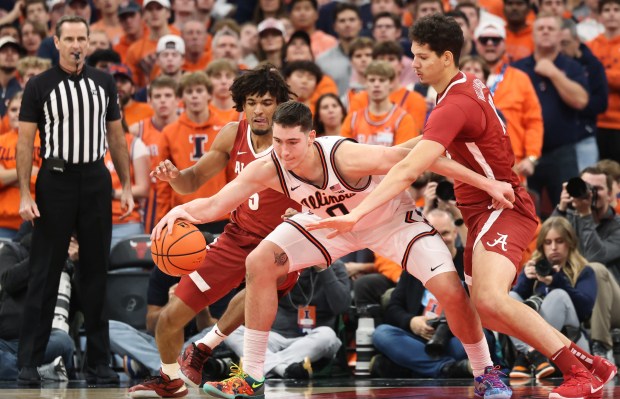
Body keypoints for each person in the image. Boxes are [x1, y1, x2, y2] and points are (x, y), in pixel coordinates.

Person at [309, 14, 617, 399]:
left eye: (422, 56)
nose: (414, 63)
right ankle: (587, 366)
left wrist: (357, 212)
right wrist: (374, 155)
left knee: (489, 300)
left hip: (501, 207)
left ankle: (579, 369)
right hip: (481, 210)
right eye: (414, 55)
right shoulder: (462, 85)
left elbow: (411, 168)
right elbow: (425, 148)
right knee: (484, 310)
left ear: (447, 57)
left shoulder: (453, 103)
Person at [152, 100, 517, 399]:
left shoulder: (344, 156)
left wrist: (487, 183)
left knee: (452, 292)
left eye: (292, 142)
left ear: (311, 137)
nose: (283, 150)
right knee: (260, 260)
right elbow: (216, 204)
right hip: (331, 226)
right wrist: (179, 211)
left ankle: (486, 372)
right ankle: (252, 376)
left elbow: (424, 160)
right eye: (277, 142)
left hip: (388, 221)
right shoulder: (271, 166)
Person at [127, 65, 300, 398]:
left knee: (260, 280)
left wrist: (303, 212)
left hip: (281, 242)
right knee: (170, 316)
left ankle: (206, 348)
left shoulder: (295, 141)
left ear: (280, 104)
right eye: (252, 102)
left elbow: (322, 190)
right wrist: (173, 176)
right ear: (242, 104)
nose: (259, 110)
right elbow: (191, 180)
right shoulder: (232, 134)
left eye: (267, 102)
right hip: (237, 235)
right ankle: (170, 379)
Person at [16, 15, 134, 384]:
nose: (76, 44)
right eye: (69, 38)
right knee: (44, 273)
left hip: (96, 179)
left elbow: (116, 137)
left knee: (96, 272)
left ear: (88, 41)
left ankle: (98, 363)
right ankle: (29, 363)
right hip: (55, 180)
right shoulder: (39, 85)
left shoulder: (103, 82)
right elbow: (24, 143)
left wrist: (126, 185)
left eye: (82, 37)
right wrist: (23, 193)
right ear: (56, 42)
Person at [225, 261, 351, 379]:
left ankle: (266, 367)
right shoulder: (279, 264)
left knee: (327, 335)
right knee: (232, 331)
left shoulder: (335, 266)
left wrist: (324, 270)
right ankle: (284, 370)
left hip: (313, 340)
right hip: (274, 338)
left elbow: (341, 307)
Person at [508, 217, 597, 379]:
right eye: (548, 242)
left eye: (559, 241)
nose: (554, 247)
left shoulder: (584, 271)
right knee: (511, 297)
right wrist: (526, 281)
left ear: (570, 242)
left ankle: (527, 355)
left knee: (557, 296)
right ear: (541, 245)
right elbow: (512, 308)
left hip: (571, 344)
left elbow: (585, 310)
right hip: (542, 362)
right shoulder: (534, 269)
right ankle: (532, 353)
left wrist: (559, 281)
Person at [553, 166, 620, 358]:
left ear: (610, 194)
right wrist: (561, 209)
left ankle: (601, 347)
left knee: (595, 269)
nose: (590, 192)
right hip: (578, 298)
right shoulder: (569, 219)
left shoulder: (618, 226)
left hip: (614, 306)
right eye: (586, 186)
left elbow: (594, 256)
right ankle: (533, 357)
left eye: (597, 188)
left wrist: (584, 215)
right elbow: (546, 248)